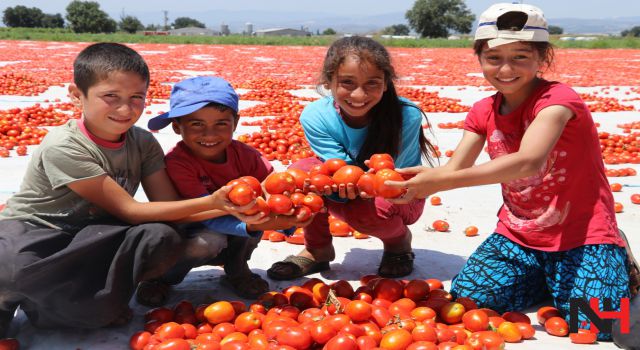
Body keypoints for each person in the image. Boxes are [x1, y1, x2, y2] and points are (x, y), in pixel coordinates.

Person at [386, 3, 639, 342]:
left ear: (541, 59)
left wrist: (439, 181)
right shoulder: (481, 111)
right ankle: (547, 275)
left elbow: (527, 161)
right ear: (479, 59)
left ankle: (615, 253)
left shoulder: (558, 100)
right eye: (494, 58)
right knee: (470, 299)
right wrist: (418, 181)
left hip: (581, 234)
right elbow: (455, 169)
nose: (506, 68)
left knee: (599, 326)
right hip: (519, 236)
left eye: (520, 57)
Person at [0, 43, 258, 337]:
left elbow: (168, 205)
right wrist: (218, 203)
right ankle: (9, 300)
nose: (126, 109)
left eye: (137, 97)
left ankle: (58, 304)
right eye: (111, 96)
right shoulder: (64, 145)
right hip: (38, 230)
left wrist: (241, 210)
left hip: (92, 234)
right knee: (13, 270)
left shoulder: (142, 142)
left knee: (160, 236)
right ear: (76, 95)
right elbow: (130, 210)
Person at [267, 36, 436, 280]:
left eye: (372, 83)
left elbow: (400, 179)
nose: (359, 95)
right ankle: (317, 248)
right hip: (347, 186)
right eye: (347, 82)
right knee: (298, 174)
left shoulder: (406, 116)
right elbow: (336, 169)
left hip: (401, 196)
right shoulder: (316, 115)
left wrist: (358, 184)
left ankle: (398, 241)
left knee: (364, 211)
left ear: (386, 83)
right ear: (328, 82)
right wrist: (339, 184)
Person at [146, 76, 313, 299]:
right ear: (177, 127)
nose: (210, 135)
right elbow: (201, 214)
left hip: (239, 224)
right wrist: (258, 220)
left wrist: (291, 215)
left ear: (235, 122)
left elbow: (274, 194)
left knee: (254, 216)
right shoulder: (178, 163)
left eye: (221, 124)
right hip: (191, 229)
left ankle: (237, 269)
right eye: (197, 124)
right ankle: (162, 277)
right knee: (209, 241)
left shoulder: (248, 157)